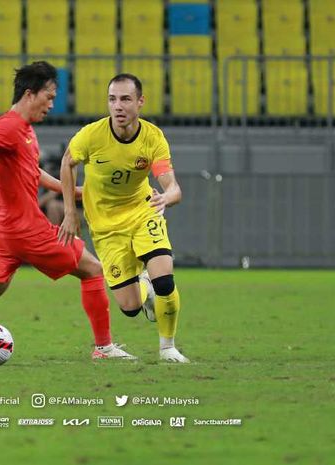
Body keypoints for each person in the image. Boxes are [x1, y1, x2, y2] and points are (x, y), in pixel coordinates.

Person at [0, 61, 136, 360]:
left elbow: (33, 171)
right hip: (26, 228)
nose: (52, 104)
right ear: (30, 94)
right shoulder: (9, 126)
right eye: (49, 97)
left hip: (5, 227)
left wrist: (72, 190)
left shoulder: (24, 130)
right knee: (93, 270)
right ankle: (103, 348)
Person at [58, 73, 190, 363]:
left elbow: (172, 187)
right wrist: (70, 212)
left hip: (143, 211)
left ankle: (167, 347)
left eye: (126, 99)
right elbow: (68, 163)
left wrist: (166, 197)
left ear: (140, 102)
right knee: (130, 307)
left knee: (165, 279)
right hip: (105, 227)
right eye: (112, 99)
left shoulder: (153, 137)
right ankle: (145, 283)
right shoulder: (91, 135)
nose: (118, 106)